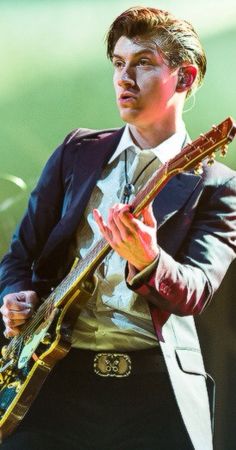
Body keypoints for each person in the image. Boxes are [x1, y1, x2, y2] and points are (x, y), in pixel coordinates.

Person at [0, 6, 235, 450]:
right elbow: (19, 256)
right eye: (118, 64)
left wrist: (149, 260)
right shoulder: (77, 151)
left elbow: (197, 292)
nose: (124, 78)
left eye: (143, 63)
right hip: (53, 380)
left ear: (183, 78)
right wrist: (13, 296)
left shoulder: (217, 186)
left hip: (155, 391)